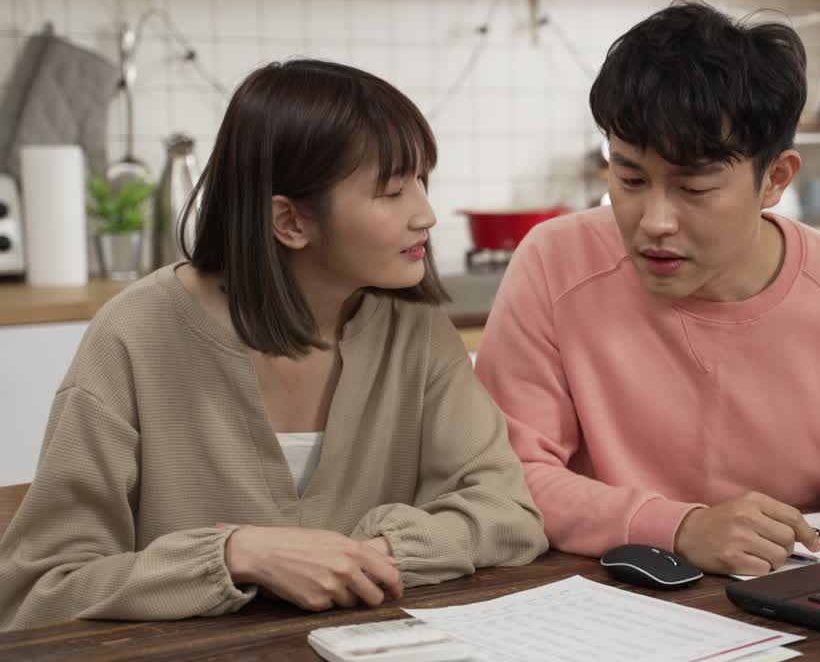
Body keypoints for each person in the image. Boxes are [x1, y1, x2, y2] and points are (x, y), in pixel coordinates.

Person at [0, 59, 547, 631]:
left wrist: (370, 557)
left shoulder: (415, 331)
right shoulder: (135, 334)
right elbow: (41, 590)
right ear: (289, 222)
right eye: (391, 192)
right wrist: (238, 556)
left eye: (421, 182)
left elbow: (508, 513)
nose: (426, 215)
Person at [475, 2, 820, 577]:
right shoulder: (554, 262)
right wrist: (680, 527)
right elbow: (511, 473)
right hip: (619, 588)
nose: (655, 220)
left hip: (814, 583)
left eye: (694, 188)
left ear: (775, 180)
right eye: (630, 179)